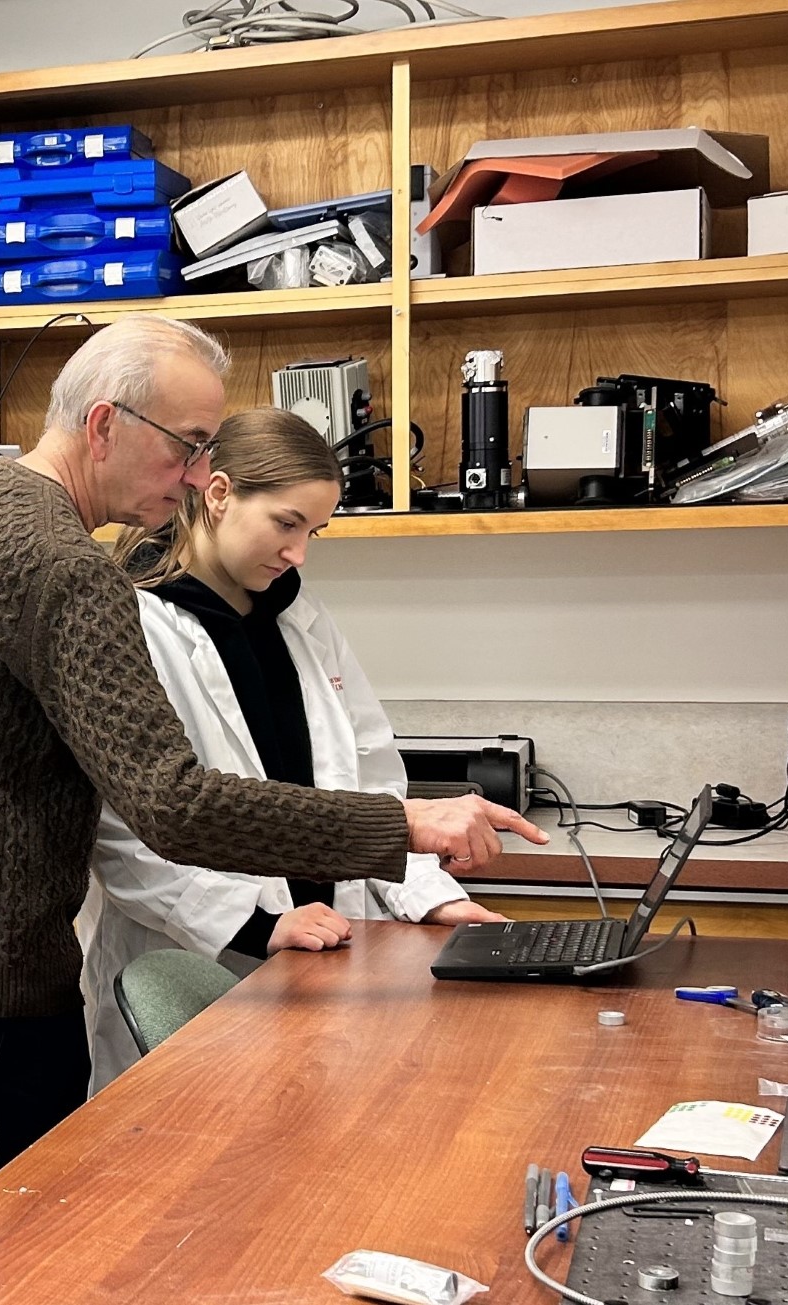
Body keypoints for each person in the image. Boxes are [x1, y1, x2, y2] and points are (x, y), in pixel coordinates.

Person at [0, 316, 544, 1166]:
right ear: (103, 425)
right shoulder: (67, 564)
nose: (198, 473)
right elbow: (167, 803)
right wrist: (403, 827)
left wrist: (420, 878)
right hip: (5, 981)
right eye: (189, 445)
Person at [79, 408, 511, 1093]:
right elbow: (126, 829)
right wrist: (258, 924)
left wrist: (432, 900)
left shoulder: (302, 619)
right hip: (210, 961)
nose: (299, 552)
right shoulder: (135, 622)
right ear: (217, 493)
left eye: (314, 531)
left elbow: (373, 789)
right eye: (287, 523)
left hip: (334, 959)